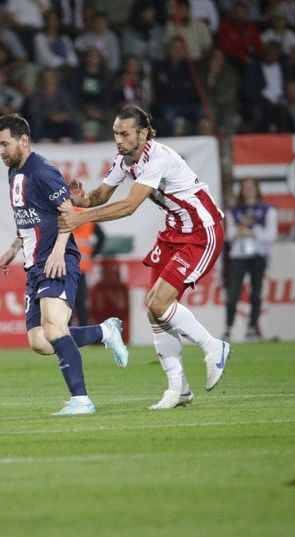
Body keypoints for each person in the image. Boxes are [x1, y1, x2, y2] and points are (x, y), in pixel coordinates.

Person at [59, 105, 230, 410]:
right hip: (174, 232)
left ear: (144, 133)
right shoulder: (125, 160)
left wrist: (82, 219)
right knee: (154, 310)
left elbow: (129, 206)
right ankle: (178, 389)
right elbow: (101, 196)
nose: (119, 140)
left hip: (201, 230)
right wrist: (81, 202)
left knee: (159, 303)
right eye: (115, 133)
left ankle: (213, 346)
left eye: (124, 134)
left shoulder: (157, 157)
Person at [0, 114, 129, 416]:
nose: (0, 151)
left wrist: (57, 252)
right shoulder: (14, 171)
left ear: (23, 140)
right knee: (40, 341)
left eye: (4, 144)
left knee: (54, 327)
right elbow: (28, 215)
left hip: (57, 260)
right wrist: (14, 247)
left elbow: (68, 213)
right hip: (34, 263)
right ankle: (103, 332)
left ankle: (81, 400)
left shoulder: (43, 171)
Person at [223, 178, 278, 341]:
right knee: (233, 293)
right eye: (245, 188)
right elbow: (229, 235)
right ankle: (228, 328)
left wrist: (253, 233)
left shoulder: (267, 209)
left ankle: (252, 328)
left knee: (256, 293)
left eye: (251, 187)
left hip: (258, 255)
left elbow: (272, 235)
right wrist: (241, 228)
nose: (248, 191)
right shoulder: (234, 211)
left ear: (257, 189)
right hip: (239, 256)